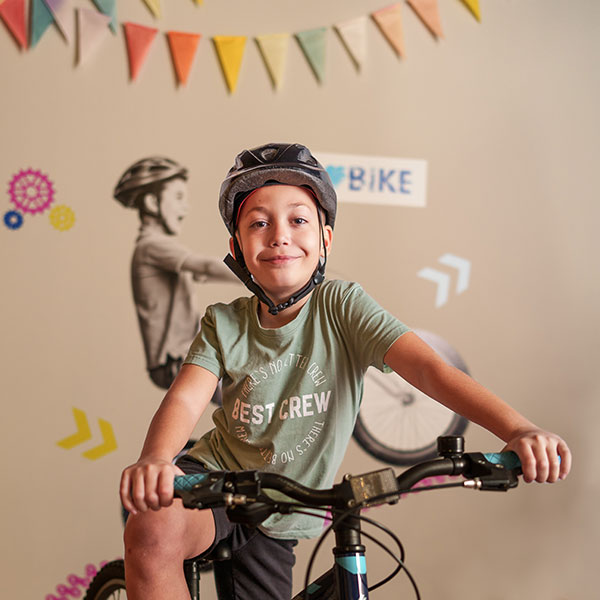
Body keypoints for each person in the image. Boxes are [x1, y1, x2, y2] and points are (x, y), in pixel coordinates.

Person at [119, 143, 572, 600]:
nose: (279, 235)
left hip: (284, 512)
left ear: (325, 240)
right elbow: (185, 398)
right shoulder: (225, 322)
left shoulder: (343, 307)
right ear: (236, 247)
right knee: (152, 531)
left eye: (298, 220)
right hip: (218, 483)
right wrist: (157, 458)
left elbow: (430, 370)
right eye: (259, 223)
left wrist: (517, 429)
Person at [114, 156, 237, 391]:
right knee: (249, 396)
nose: (185, 206)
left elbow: (201, 274)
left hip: (184, 355)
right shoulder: (152, 246)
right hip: (174, 360)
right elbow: (205, 267)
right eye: (178, 197)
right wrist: (263, 276)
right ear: (152, 202)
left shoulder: (156, 249)